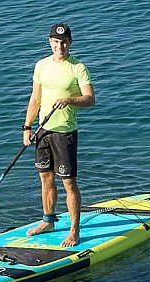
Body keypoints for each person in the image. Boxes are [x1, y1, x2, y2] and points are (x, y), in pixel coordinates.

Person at [23, 22, 95, 248]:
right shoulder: (41, 66)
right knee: (45, 178)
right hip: (43, 130)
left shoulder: (78, 68)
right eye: (55, 42)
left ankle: (74, 231)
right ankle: (48, 221)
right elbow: (35, 99)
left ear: (70, 43)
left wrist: (70, 100)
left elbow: (90, 99)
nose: (59, 46)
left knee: (68, 182)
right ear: (50, 43)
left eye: (63, 42)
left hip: (65, 133)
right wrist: (27, 127)